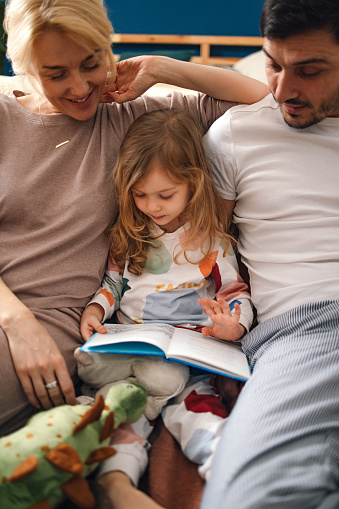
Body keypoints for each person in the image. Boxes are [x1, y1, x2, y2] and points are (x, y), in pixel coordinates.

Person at [0, 0, 269, 505]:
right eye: (55, 73)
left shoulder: (140, 119)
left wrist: (161, 68)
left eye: (91, 63)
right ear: (25, 68)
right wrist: (15, 322)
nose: (80, 88)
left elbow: (260, 99)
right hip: (12, 317)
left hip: (65, 322)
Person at [196, 0, 339, 507]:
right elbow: (205, 249)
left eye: (310, 71)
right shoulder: (238, 134)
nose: (281, 90)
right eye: (272, 64)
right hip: (310, 328)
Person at [78, 108, 253, 488]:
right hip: (134, 352)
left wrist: (233, 323)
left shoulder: (211, 242)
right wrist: (96, 308)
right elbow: (114, 284)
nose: (152, 206)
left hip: (191, 356)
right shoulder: (130, 234)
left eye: (165, 195)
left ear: (193, 183)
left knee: (199, 412)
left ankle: (228, 477)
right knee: (122, 408)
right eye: (139, 194)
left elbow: (236, 294)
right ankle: (117, 483)